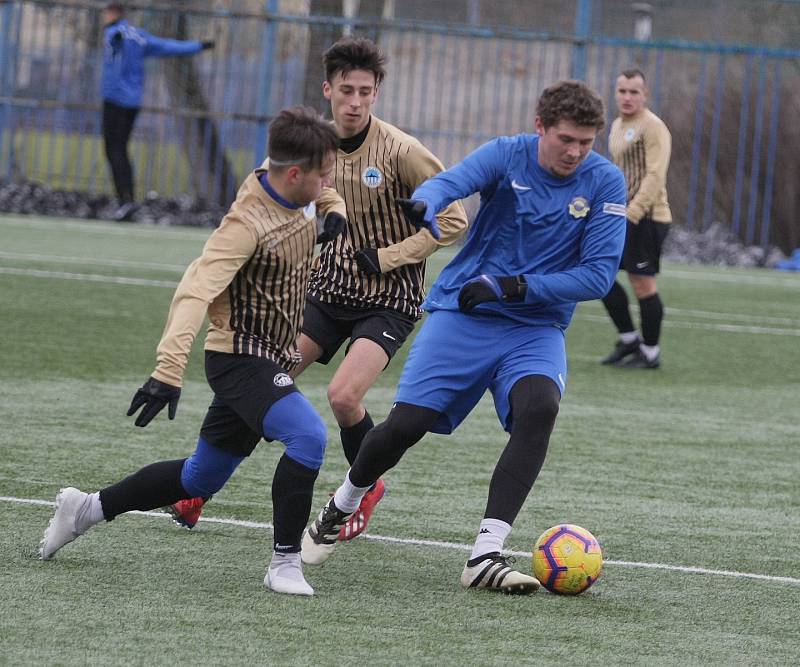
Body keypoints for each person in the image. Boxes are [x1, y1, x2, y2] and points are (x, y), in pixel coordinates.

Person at [300, 80, 627, 594]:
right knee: (406, 426)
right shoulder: (507, 154)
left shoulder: (605, 183)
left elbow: (598, 276)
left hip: (533, 324)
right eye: (566, 139)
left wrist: (515, 286)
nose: (575, 152)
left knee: (540, 406)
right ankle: (342, 502)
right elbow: (452, 182)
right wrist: (425, 203)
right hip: (464, 310)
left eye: (586, 143)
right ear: (540, 127)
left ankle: (484, 555)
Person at [38, 106, 358, 597]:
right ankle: (285, 563)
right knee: (309, 437)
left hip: (269, 356)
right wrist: (168, 370)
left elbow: (327, 189)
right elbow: (193, 291)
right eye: (323, 177)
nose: (328, 183)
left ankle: (87, 508)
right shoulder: (246, 225)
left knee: (200, 475)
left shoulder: (290, 182)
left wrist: (331, 207)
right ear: (294, 174)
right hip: (238, 358)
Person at [167, 37, 468, 538]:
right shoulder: (314, 147)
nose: (355, 101)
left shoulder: (403, 151)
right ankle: (201, 487)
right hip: (327, 291)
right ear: (327, 90)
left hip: (389, 299)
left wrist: (389, 257)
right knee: (268, 378)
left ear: (376, 94)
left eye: (365, 92)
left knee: (344, 397)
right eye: (346, 90)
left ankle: (365, 486)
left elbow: (455, 219)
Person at [100, 3, 214, 221]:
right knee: (121, 149)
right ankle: (126, 199)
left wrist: (115, 39)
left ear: (112, 12)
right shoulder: (140, 37)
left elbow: (115, 39)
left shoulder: (115, 33)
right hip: (133, 102)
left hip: (115, 100)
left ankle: (125, 200)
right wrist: (199, 46)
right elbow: (168, 46)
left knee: (114, 149)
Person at [600, 68, 672, 369]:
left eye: (634, 92)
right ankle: (629, 339)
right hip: (622, 214)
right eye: (622, 91)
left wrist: (634, 211)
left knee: (642, 284)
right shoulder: (617, 124)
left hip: (646, 217)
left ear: (645, 95)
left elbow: (656, 174)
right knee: (600, 274)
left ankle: (651, 352)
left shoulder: (653, 126)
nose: (627, 97)